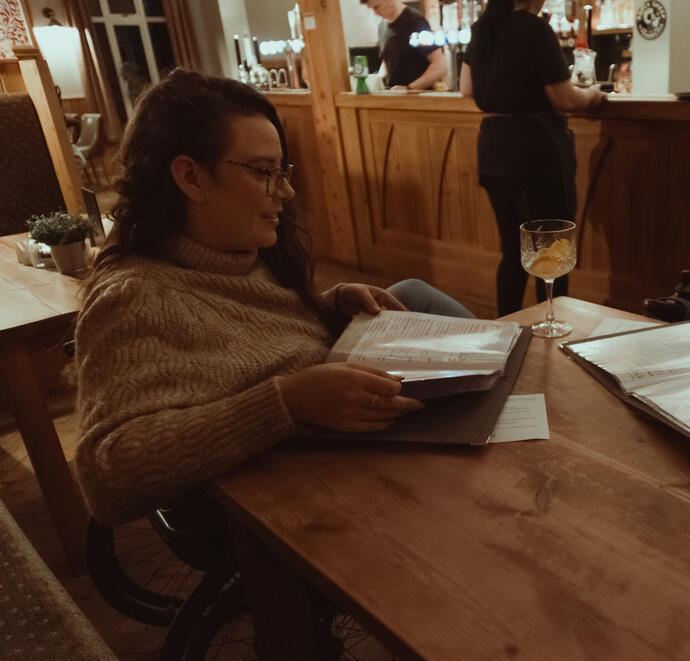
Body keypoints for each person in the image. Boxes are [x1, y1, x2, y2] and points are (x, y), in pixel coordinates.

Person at [74, 70, 472, 526]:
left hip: (338, 443)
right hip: (284, 505)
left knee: (412, 294)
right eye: (264, 172)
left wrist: (329, 306)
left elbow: (247, 328)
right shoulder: (135, 296)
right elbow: (105, 477)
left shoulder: (239, 252)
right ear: (191, 177)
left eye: (282, 172)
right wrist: (284, 403)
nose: (286, 191)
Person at [460, 0, 604, 316]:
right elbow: (565, 98)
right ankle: (551, 324)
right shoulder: (534, 29)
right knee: (552, 247)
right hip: (534, 151)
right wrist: (594, 95)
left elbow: (466, 88)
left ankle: (507, 327)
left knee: (513, 251)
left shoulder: (482, 28)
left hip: (493, 148)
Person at [361, 0, 446, 90]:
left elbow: (440, 65)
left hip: (416, 96)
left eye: (377, 7)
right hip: (393, 95)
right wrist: (376, 79)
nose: (375, 13)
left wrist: (409, 88)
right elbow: (387, 61)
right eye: (371, 8)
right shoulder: (382, 26)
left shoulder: (415, 21)